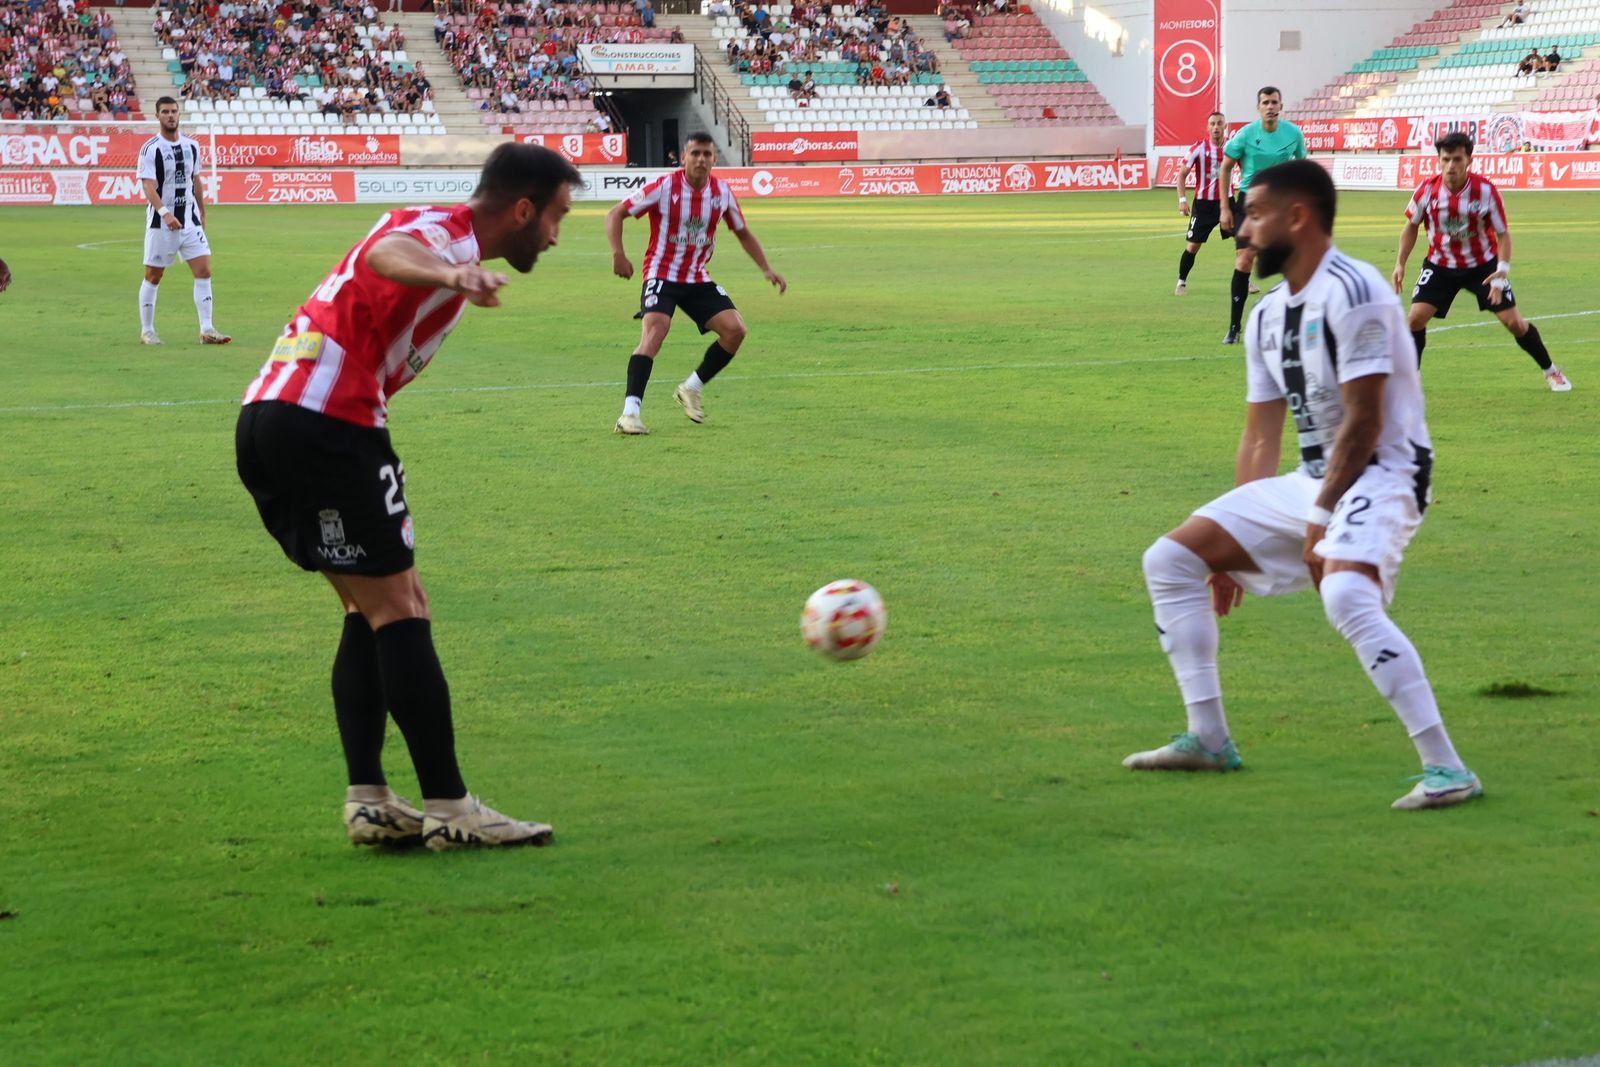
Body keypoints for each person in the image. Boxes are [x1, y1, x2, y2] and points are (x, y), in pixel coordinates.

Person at [235, 145, 580, 851]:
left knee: (370, 606)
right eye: (555, 217)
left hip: (271, 416)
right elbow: (388, 254)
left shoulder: (436, 229)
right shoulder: (443, 233)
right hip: (329, 421)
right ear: (523, 210)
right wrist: (453, 273)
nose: (555, 235)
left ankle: (369, 798)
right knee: (403, 606)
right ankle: (452, 806)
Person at [1127, 159, 1481, 811]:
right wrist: (1230, 552)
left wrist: (1321, 515)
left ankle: (1447, 768)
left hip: (1387, 469)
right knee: (1172, 558)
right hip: (1313, 479)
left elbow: (1367, 421)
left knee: (1346, 592)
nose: (1243, 229)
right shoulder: (1266, 316)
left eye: (1255, 214)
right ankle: (1208, 738)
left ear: (1298, 217)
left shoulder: (1357, 289)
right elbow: (1261, 435)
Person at [606, 131, 787, 435]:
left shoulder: (722, 193)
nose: (701, 160)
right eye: (695, 154)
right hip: (661, 273)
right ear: (683, 156)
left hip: (696, 277)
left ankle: (690, 388)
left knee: (735, 330)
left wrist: (766, 269)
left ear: (715, 159)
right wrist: (618, 254)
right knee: (655, 332)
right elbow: (616, 214)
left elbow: (743, 232)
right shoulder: (665, 187)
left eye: (707, 154)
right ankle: (629, 413)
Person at [1393, 132, 1570, 391]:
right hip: (1440, 265)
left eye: (1456, 159)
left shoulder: (1485, 191)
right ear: (1438, 161)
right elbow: (1410, 226)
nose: (1450, 166)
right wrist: (1400, 263)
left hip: (1483, 267)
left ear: (1469, 160)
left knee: (1514, 323)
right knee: (1415, 319)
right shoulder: (1427, 191)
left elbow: (1503, 234)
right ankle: (1411, 378)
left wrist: (1502, 271)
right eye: (1445, 160)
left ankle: (1551, 371)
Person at [137, 97, 230, 346]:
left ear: (179, 114)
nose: (170, 115)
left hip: (190, 222)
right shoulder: (150, 148)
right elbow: (148, 186)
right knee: (153, 276)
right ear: (157, 116)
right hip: (161, 224)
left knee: (204, 270)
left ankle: (207, 329)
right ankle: (147, 331)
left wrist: (202, 209)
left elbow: (195, 179)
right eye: (165, 112)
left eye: (174, 111)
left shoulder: (192, 146)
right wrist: (165, 213)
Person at [1218, 86, 1306, 344]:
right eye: (1265, 102)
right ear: (1258, 107)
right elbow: (1225, 169)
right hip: (1250, 203)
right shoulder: (1245, 135)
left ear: (1281, 106)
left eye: (1274, 102)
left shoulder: (1294, 134)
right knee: (1244, 261)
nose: (1270, 106)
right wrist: (1225, 207)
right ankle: (1234, 328)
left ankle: (1296, 322)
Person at [1174, 110, 1229, 297]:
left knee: (1243, 241)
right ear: (1207, 127)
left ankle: (1244, 280)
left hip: (1227, 203)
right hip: (1204, 205)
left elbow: (1247, 168)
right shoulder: (1198, 148)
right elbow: (1181, 175)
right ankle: (1181, 281)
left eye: (1219, 123)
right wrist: (1182, 200)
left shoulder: (1233, 147)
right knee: (1193, 246)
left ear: (1225, 126)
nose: (1216, 127)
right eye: (1212, 123)